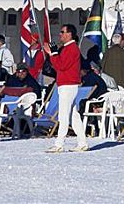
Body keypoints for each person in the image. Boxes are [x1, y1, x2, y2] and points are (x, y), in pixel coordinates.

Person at [43, 24, 88, 153]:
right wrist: (54, 53)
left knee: (63, 115)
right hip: (67, 84)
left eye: (62, 32)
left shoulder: (71, 48)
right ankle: (82, 142)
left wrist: (53, 54)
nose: (60, 34)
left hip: (68, 84)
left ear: (69, 34)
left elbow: (61, 66)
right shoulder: (68, 48)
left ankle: (59, 144)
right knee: (74, 115)